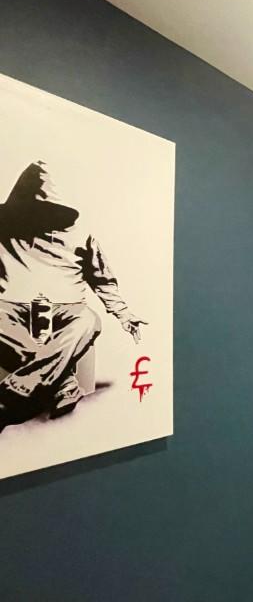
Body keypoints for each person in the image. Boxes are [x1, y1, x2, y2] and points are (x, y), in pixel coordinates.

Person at [0, 161, 145, 428]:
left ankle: (14, 392)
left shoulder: (81, 234)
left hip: (68, 308)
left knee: (88, 320)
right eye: (33, 206)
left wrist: (124, 314)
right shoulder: (2, 223)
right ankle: (64, 383)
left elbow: (102, 278)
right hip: (10, 306)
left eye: (46, 208)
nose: (39, 214)